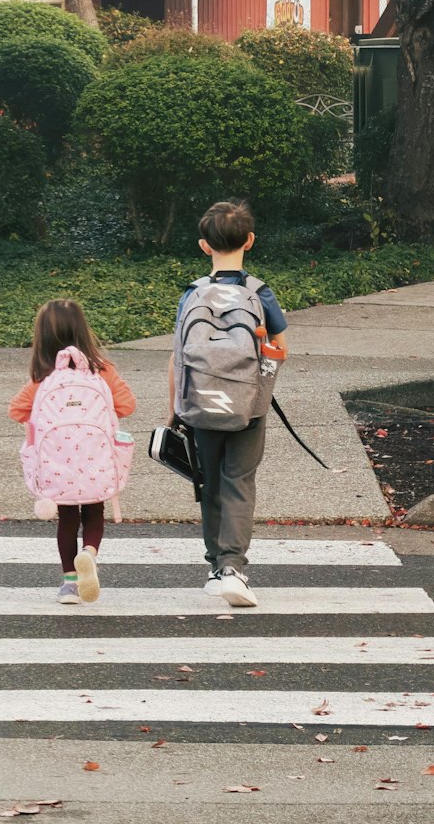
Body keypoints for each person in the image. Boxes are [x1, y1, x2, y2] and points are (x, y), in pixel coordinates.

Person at [168, 199, 289, 608]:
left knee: (210, 483)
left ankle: (215, 566)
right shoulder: (260, 293)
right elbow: (279, 349)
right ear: (250, 241)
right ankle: (234, 567)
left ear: (205, 246)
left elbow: (178, 357)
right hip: (247, 407)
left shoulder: (192, 295)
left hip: (199, 404)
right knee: (239, 481)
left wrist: (175, 410)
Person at [9, 299, 136, 604]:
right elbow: (127, 405)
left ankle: (69, 584)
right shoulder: (101, 370)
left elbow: (16, 410)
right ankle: (89, 554)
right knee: (94, 512)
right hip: (97, 461)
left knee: (67, 519)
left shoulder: (43, 377)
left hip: (58, 465)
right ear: (83, 331)